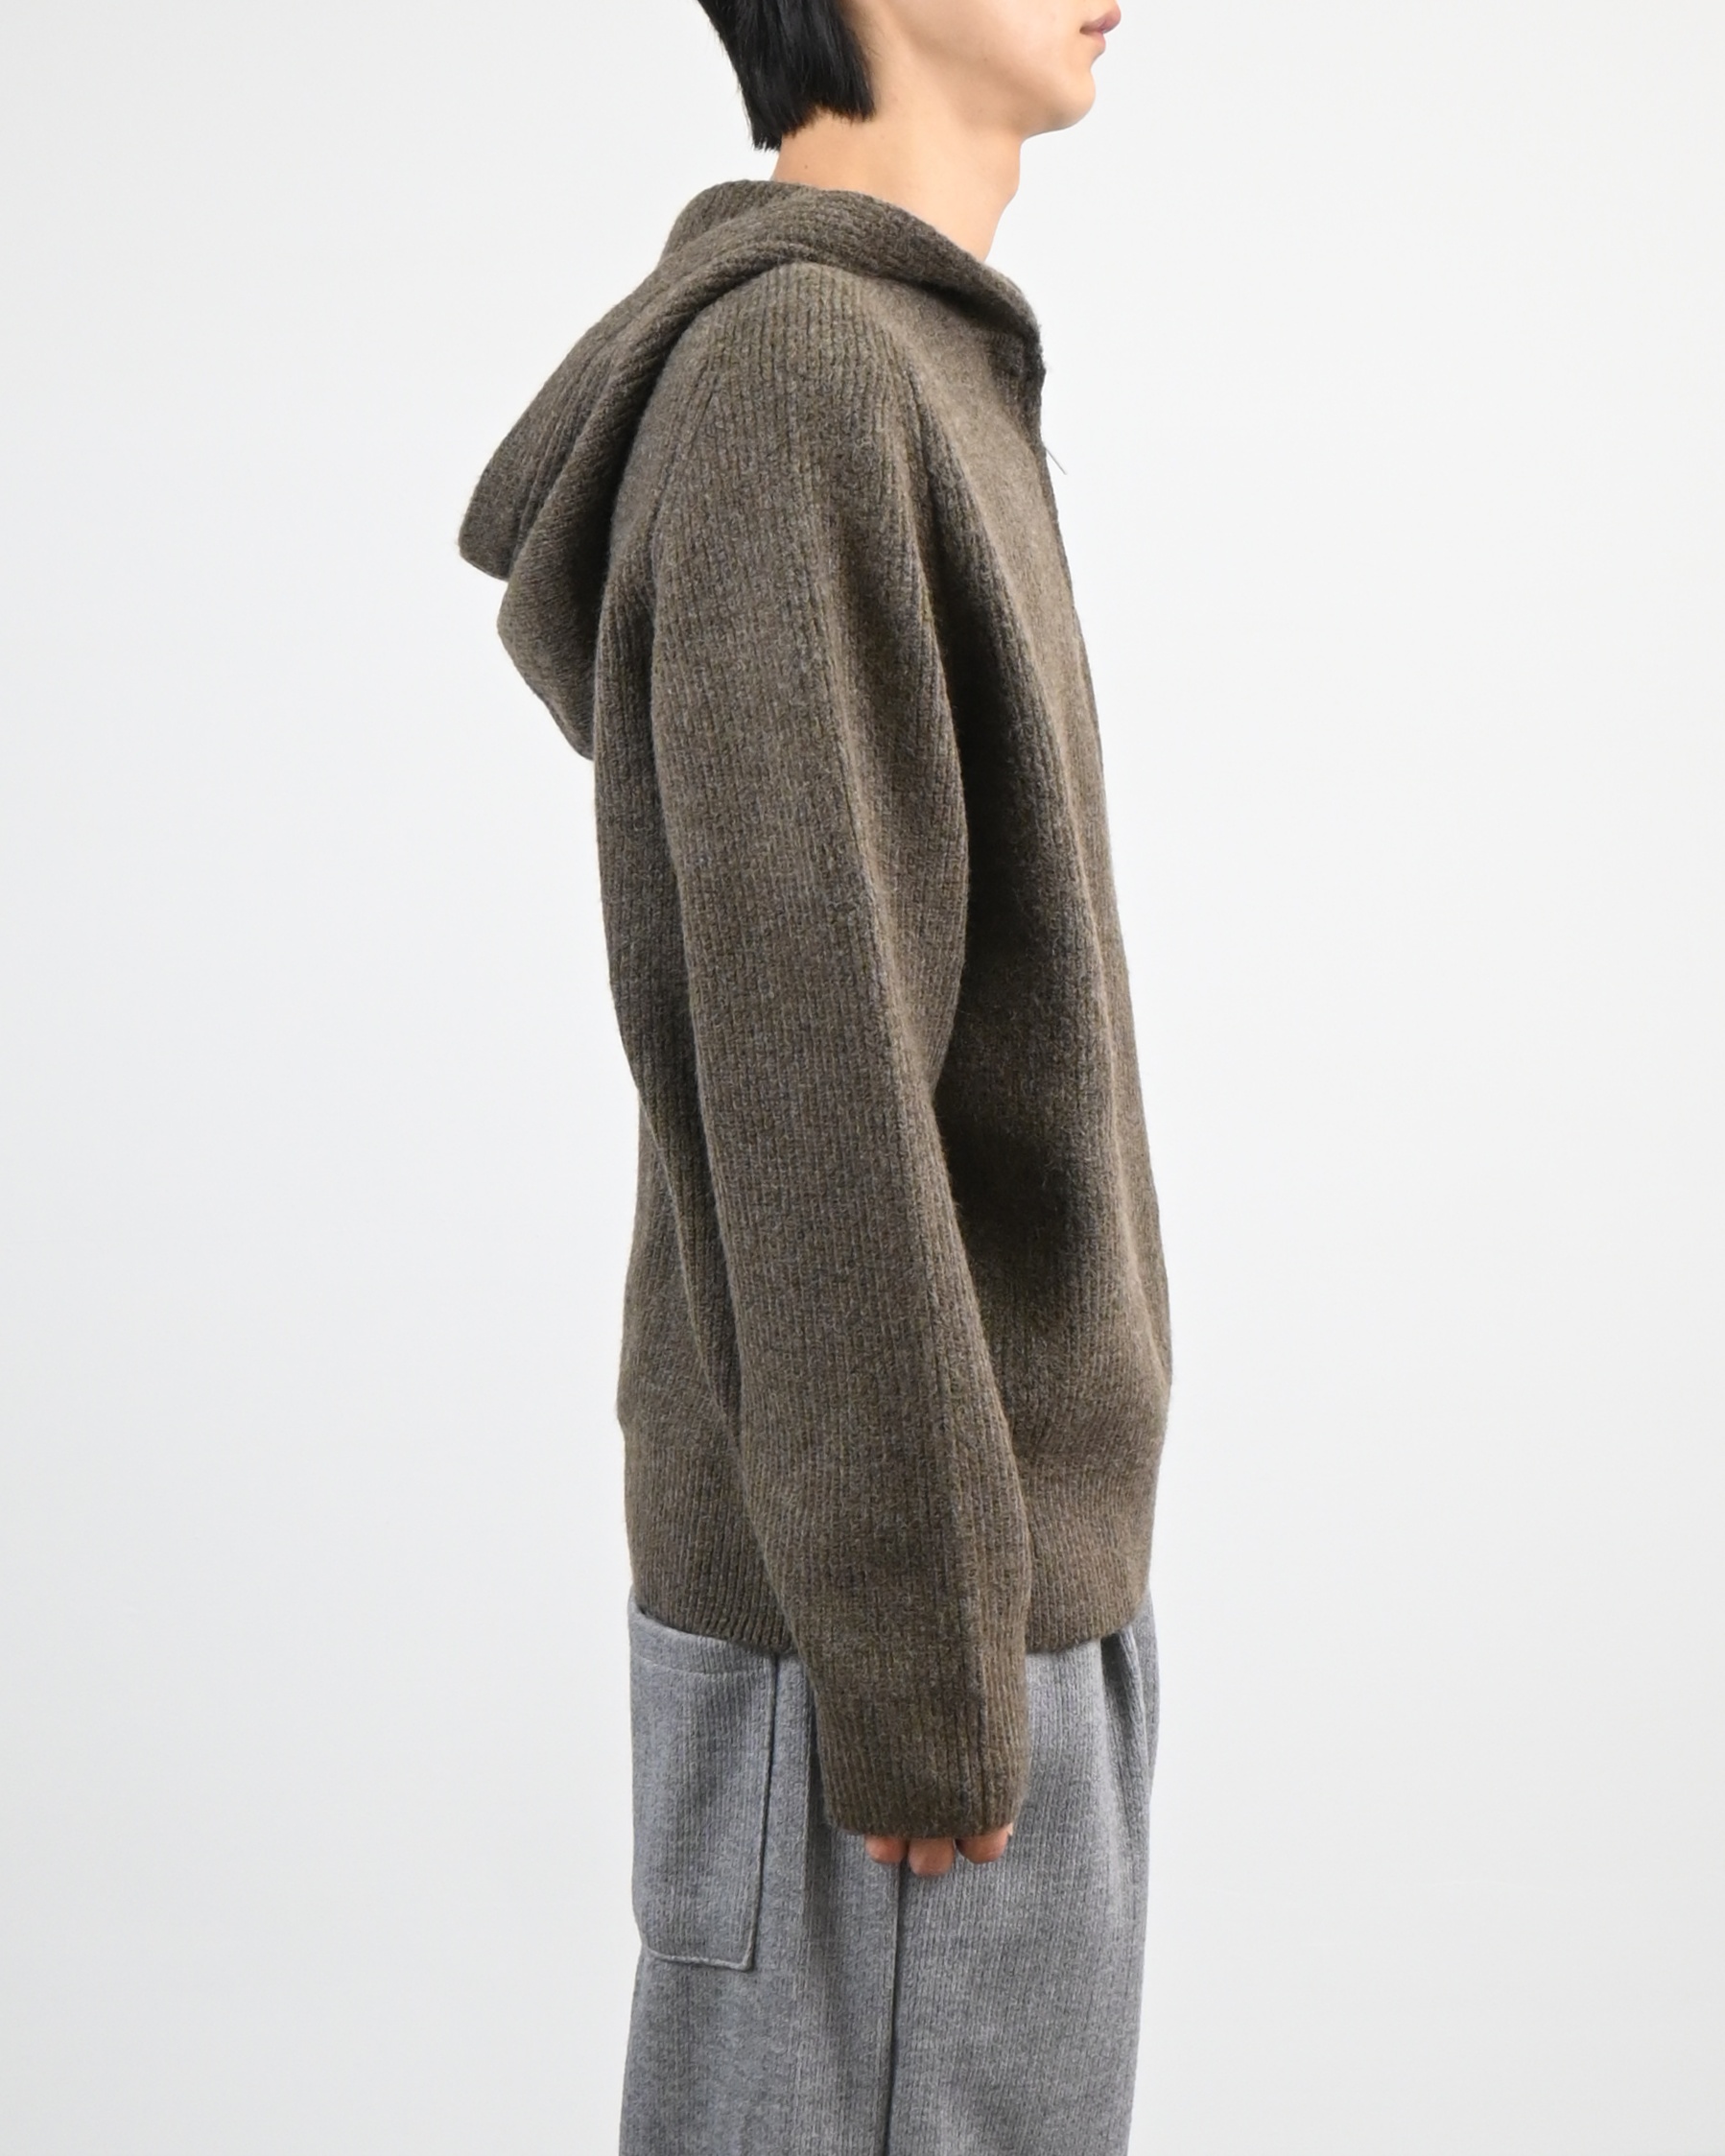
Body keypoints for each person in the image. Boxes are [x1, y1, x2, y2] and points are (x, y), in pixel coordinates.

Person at [460, 0, 1170, 2145]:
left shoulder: (914, 361)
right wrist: (918, 1653)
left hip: (987, 1589)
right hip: (895, 1632)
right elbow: (811, 1069)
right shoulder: (802, 382)